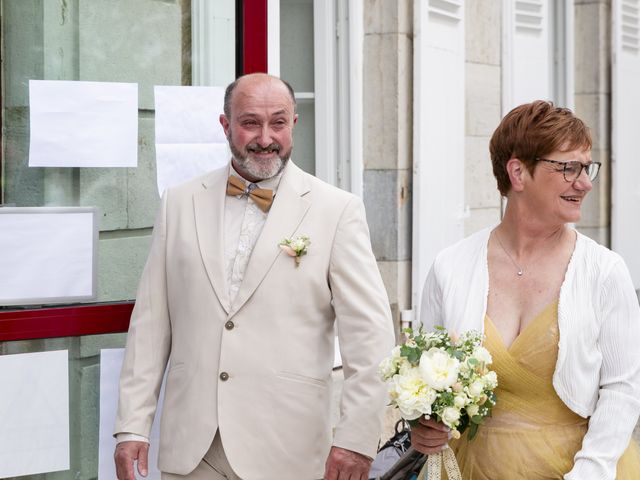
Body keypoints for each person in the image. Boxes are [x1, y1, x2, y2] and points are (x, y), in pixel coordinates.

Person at [113, 73, 394, 480]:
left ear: (294, 123)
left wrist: (355, 438)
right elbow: (150, 326)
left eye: (277, 123)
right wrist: (132, 425)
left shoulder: (338, 211)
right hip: (192, 450)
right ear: (225, 125)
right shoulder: (179, 202)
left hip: (287, 451)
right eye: (250, 123)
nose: (265, 138)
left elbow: (370, 339)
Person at [411, 100, 640, 479]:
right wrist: (424, 426)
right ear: (518, 172)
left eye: (587, 168)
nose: (585, 183)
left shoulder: (604, 272)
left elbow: (621, 390)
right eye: (569, 167)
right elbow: (427, 383)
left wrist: (589, 472)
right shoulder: (449, 268)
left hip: (577, 469)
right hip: (468, 469)